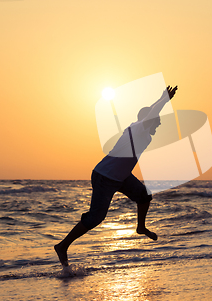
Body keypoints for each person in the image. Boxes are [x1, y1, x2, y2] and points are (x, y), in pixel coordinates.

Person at [54, 85, 178, 267]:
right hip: (105, 176)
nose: (158, 124)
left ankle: (140, 227)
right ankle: (63, 246)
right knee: (96, 218)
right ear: (149, 120)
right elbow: (149, 114)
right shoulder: (138, 128)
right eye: (156, 120)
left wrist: (160, 99)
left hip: (121, 177)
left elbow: (148, 113)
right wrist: (163, 100)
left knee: (145, 196)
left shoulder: (142, 131)